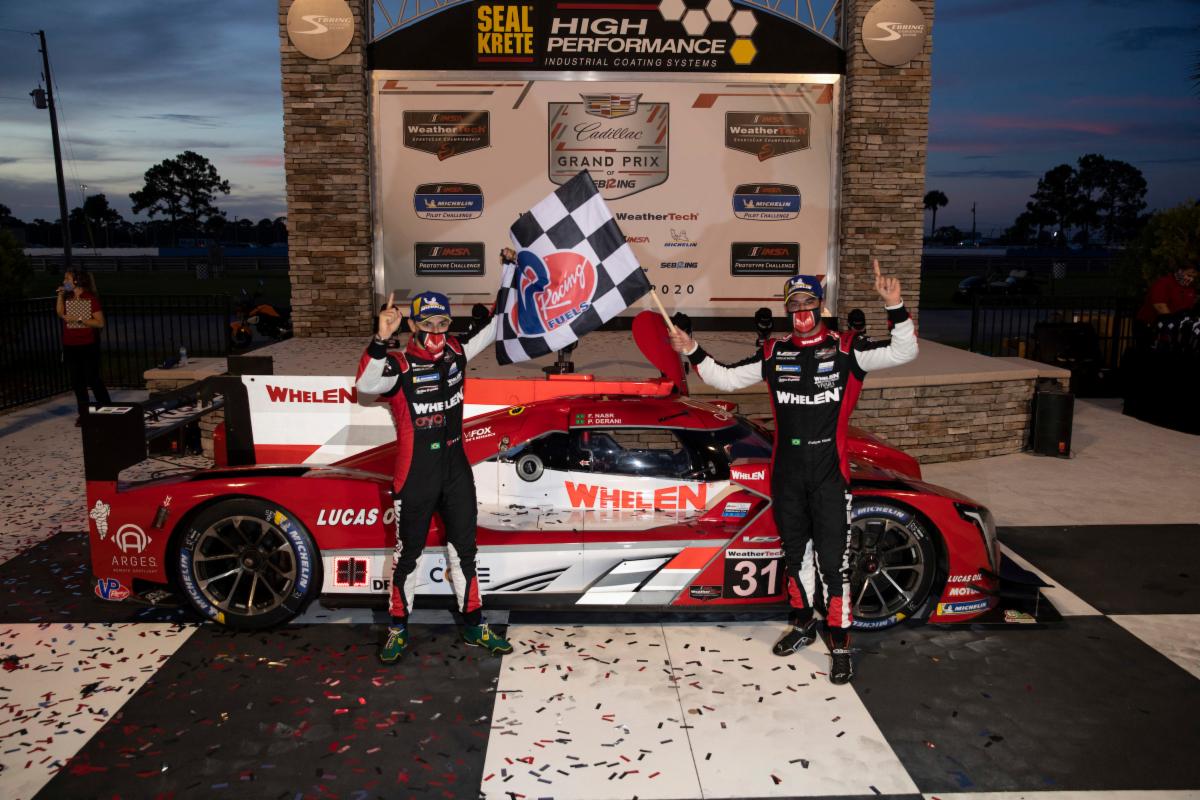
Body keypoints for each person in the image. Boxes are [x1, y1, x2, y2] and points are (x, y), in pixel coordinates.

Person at [668, 260, 918, 684]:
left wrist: (895, 306)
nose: (801, 310)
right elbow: (725, 379)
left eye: (808, 303)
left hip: (829, 476)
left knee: (834, 565)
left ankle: (840, 645)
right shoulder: (774, 352)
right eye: (794, 304)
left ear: (820, 306)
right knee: (796, 558)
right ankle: (804, 624)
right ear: (787, 310)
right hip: (787, 475)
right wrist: (691, 348)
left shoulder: (847, 348)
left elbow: (904, 351)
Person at [355, 253, 514, 663]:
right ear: (413, 326)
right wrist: (379, 339)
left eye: (442, 323)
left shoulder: (458, 352)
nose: (436, 331)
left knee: (465, 551)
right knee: (407, 556)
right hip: (415, 475)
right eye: (427, 324)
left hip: (455, 470)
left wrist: (510, 271)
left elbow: (495, 325)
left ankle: (475, 624)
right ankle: (397, 629)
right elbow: (365, 387)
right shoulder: (398, 365)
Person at [56, 266, 110, 426]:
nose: (64, 281)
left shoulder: (90, 299)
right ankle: (84, 414)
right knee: (77, 382)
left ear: (76, 281)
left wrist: (79, 319)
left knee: (93, 379)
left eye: (67, 279)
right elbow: (60, 313)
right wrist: (60, 295)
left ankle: (108, 409)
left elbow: (100, 323)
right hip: (70, 345)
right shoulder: (67, 297)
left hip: (88, 345)